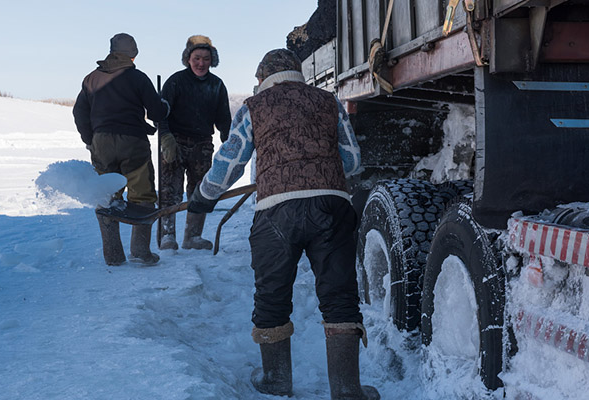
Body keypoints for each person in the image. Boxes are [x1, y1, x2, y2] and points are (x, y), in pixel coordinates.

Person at [187, 49, 380, 400]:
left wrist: (204, 196)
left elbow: (230, 160)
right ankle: (348, 389)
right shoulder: (328, 101)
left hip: (276, 210)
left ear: (263, 78)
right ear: (297, 73)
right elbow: (352, 161)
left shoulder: (253, 106)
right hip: (331, 205)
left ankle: (276, 380)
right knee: (339, 296)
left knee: (272, 295)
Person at [73, 33, 169, 266]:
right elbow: (156, 112)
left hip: (101, 142)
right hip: (133, 141)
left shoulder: (90, 79)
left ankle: (113, 255)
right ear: (133, 55)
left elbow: (79, 113)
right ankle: (140, 250)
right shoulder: (137, 77)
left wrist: (90, 140)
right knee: (142, 193)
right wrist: (163, 107)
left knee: (106, 196)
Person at [157, 35, 231, 251]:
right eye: (197, 58)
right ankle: (167, 236)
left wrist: (228, 143)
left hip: (203, 145)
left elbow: (224, 119)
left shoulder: (217, 85)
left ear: (212, 60)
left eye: (206, 59)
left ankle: (193, 236)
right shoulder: (175, 81)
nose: (201, 63)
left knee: (200, 190)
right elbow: (161, 114)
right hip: (175, 143)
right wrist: (166, 137)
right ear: (188, 58)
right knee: (170, 189)